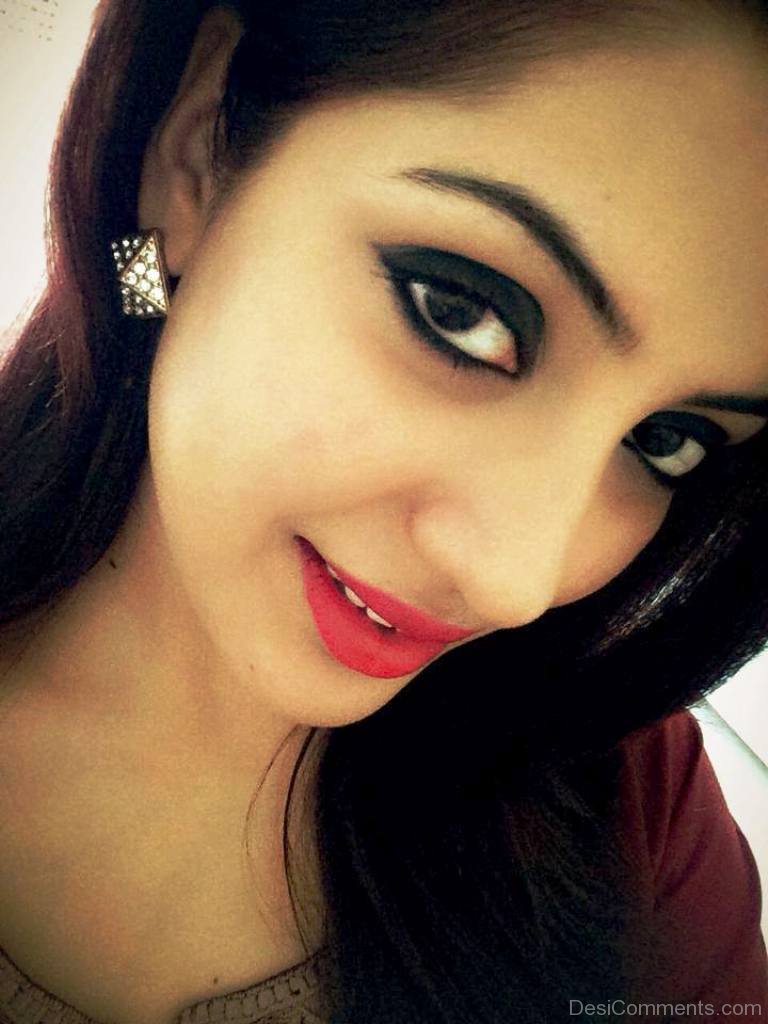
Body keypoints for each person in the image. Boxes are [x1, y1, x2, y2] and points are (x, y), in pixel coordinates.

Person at [0, 0, 766, 1021]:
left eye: (666, 439)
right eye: (462, 313)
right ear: (196, 151)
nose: (517, 581)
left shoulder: (633, 812)